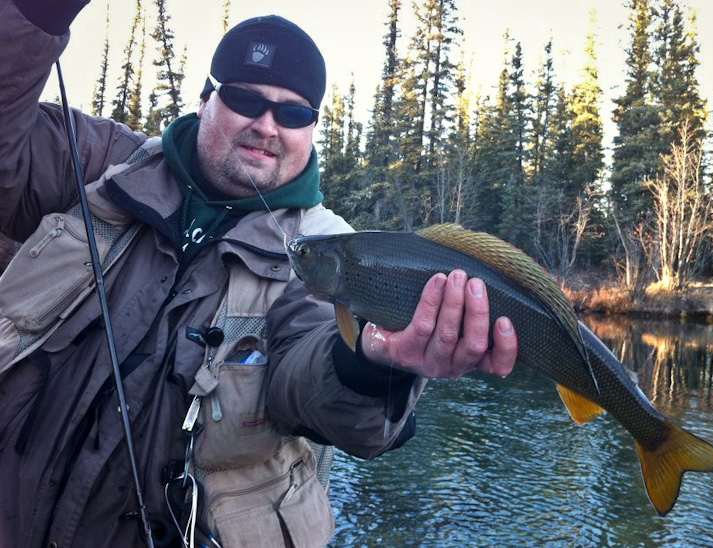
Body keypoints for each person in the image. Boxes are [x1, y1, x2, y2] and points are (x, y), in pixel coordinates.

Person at [0, 1, 518, 547]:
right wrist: (37, 17)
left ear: (313, 129)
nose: (267, 125)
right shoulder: (100, 160)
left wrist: (371, 365)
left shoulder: (327, 252)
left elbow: (310, 375)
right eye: (245, 99)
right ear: (205, 101)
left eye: (293, 113)